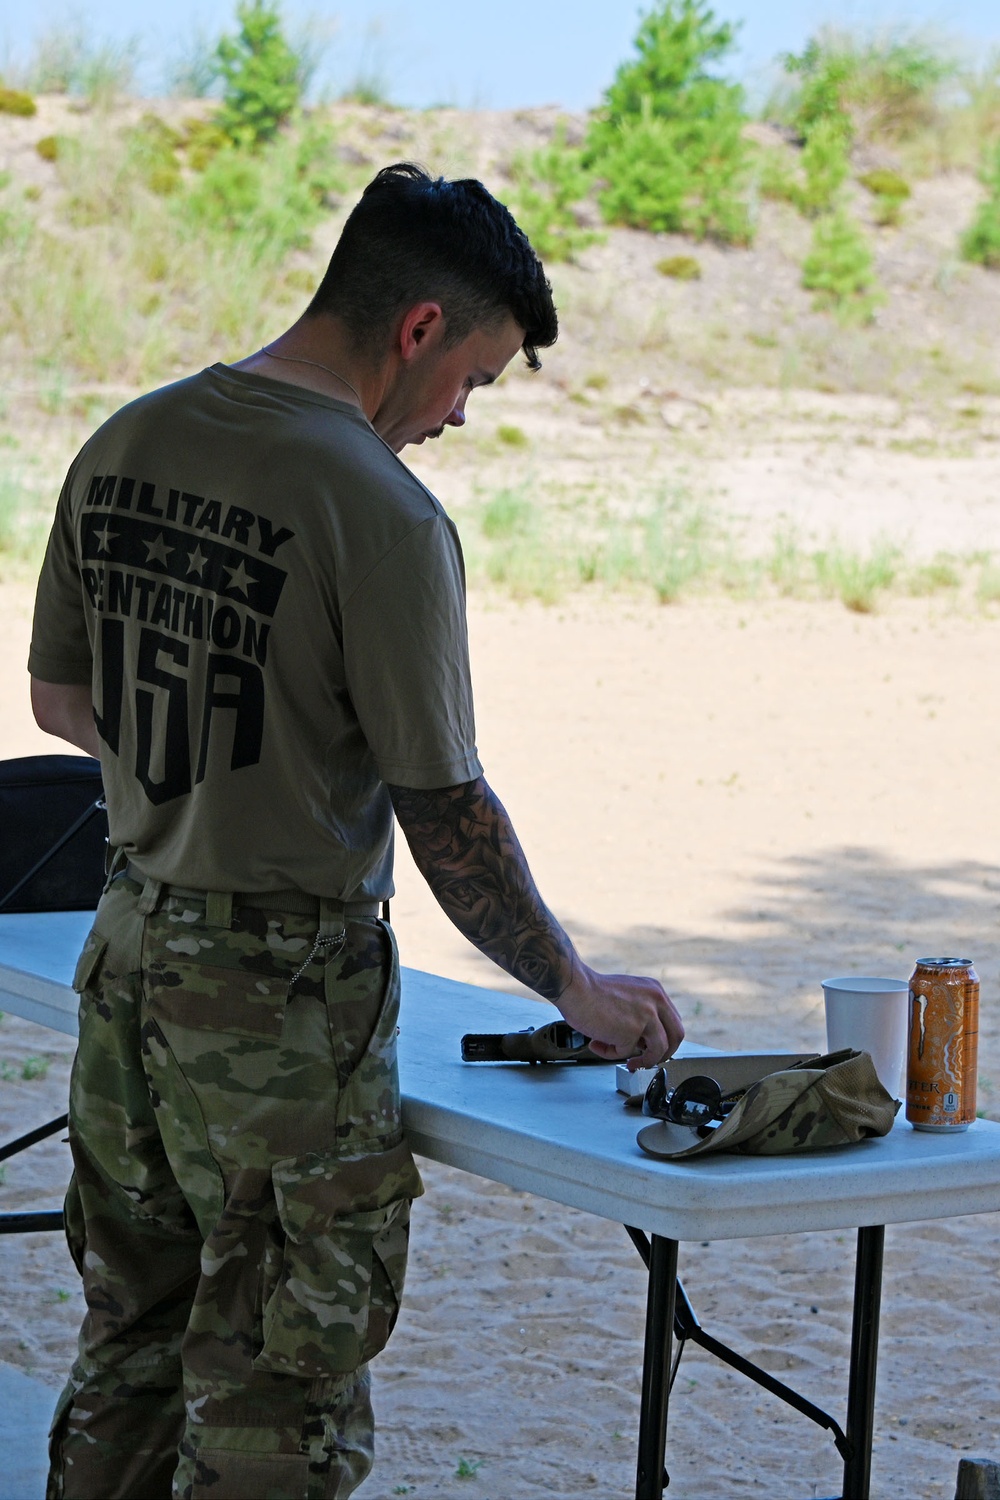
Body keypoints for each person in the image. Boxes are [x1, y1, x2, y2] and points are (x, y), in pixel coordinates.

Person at [28, 162, 684, 1500]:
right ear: (421, 329)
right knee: (278, 1393)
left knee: (130, 1356)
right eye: (473, 384)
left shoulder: (130, 439)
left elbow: (58, 698)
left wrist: (202, 780)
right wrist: (573, 986)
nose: (455, 419)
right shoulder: (380, 515)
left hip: (129, 963)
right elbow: (444, 812)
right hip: (278, 1005)